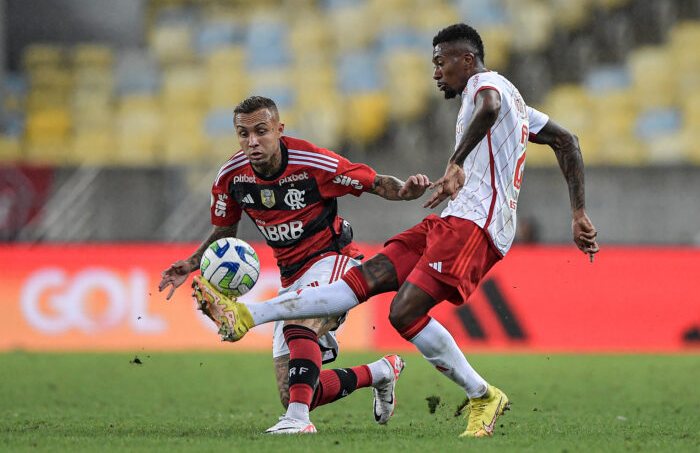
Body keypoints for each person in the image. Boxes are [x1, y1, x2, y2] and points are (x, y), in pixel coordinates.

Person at [193, 24, 600, 437]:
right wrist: (578, 212)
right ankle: (248, 314)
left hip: (478, 225)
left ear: (467, 59)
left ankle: (482, 395)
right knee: (361, 282)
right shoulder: (514, 100)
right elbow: (566, 140)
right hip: (452, 218)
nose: (436, 73)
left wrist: (456, 161)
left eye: (441, 63)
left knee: (403, 313)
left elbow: (491, 106)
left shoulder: (486, 85)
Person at [159, 96, 430, 434]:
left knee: (297, 325)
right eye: (244, 134)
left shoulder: (312, 161)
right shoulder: (232, 177)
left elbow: (372, 182)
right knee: (297, 391)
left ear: (279, 129)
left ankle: (299, 422)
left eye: (261, 131)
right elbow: (224, 231)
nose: (253, 141)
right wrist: (192, 263)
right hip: (291, 274)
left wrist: (404, 191)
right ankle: (381, 372)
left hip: (333, 258)